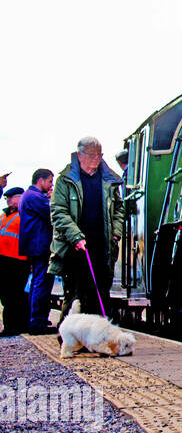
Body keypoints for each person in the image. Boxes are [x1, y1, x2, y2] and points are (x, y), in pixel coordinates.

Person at [51, 137, 124, 321]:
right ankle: (68, 339)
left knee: (100, 293)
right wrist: (75, 236)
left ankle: (98, 337)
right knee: (75, 295)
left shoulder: (109, 180)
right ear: (79, 155)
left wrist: (116, 233)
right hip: (74, 246)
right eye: (91, 155)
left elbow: (119, 208)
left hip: (103, 245)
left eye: (99, 154)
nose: (96, 159)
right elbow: (58, 211)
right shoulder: (65, 181)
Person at [19, 169, 55, 333]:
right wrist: (52, 198)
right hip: (40, 245)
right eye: (49, 182)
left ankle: (35, 320)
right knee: (42, 283)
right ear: (41, 180)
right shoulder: (35, 197)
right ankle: (37, 322)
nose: (50, 186)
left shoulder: (27, 196)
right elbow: (52, 213)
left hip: (34, 245)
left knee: (36, 283)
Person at [1, 187, 28, 335]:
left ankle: (14, 326)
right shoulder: (4, 215)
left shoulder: (23, 215)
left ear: (20, 198)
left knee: (15, 295)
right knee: (6, 296)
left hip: (18, 260)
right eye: (7, 198)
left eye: (11, 197)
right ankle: (11, 325)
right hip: (4, 260)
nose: (8, 200)